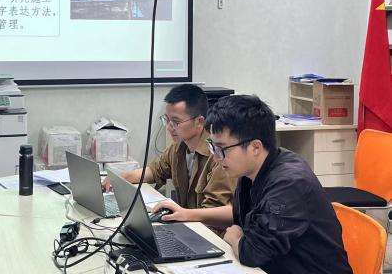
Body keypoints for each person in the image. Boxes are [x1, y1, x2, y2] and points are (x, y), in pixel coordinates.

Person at [152, 95, 353, 274]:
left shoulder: (289, 183)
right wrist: (187, 214)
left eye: (222, 148)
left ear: (255, 147)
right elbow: (239, 215)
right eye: (213, 146)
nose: (216, 157)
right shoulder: (253, 168)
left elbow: (252, 253)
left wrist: (235, 237)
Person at [104, 84, 235, 211]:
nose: (169, 127)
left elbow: (218, 210)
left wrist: (182, 215)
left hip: (206, 225)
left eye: (176, 122)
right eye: (167, 120)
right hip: (190, 220)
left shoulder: (218, 155)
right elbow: (155, 171)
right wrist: (121, 177)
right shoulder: (178, 147)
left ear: (199, 122)